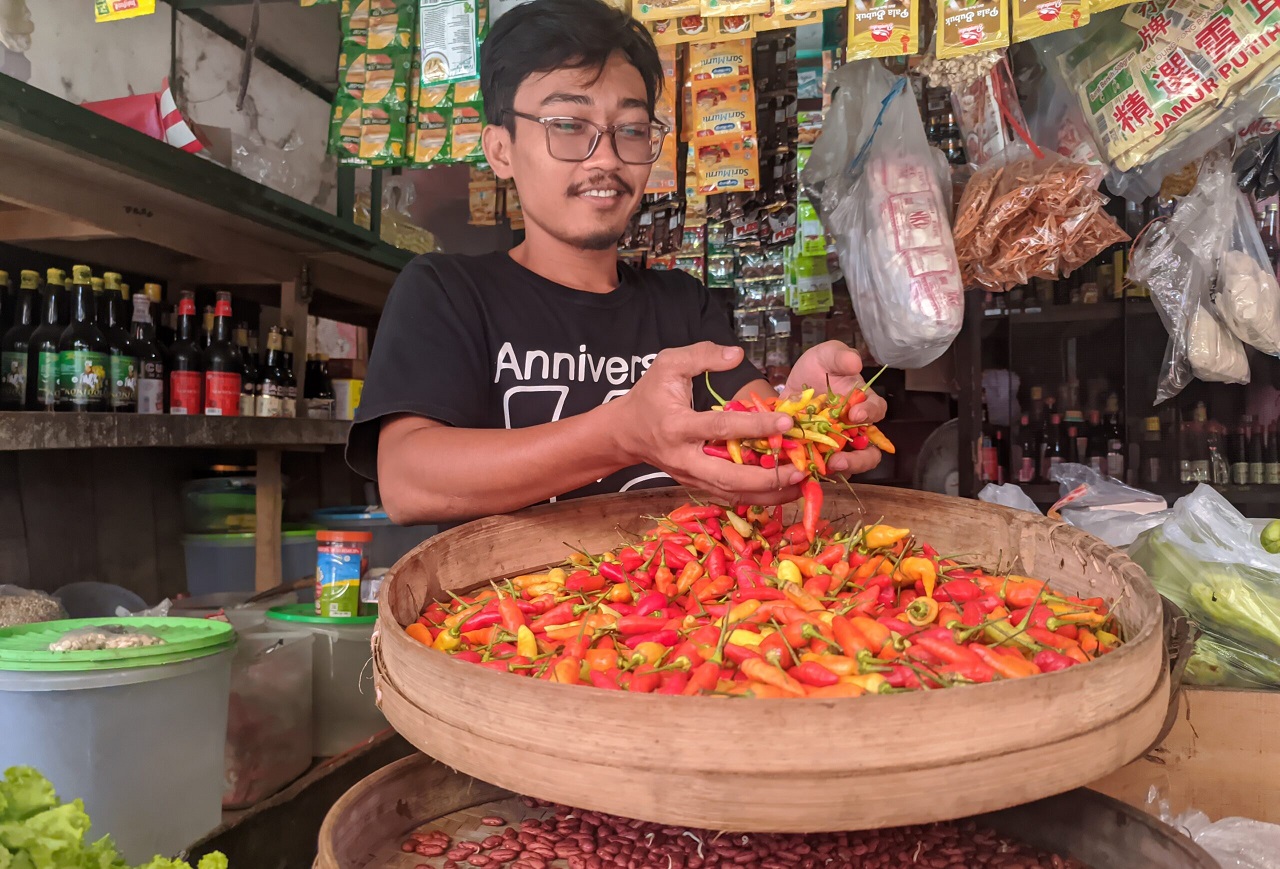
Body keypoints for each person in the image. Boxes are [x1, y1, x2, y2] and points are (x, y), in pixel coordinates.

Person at [346, 0, 886, 525]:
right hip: (507, 612)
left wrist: (805, 414)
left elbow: (760, 446)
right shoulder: (448, 292)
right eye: (567, 125)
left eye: (629, 130)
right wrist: (618, 434)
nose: (605, 158)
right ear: (500, 149)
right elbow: (408, 481)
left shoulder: (681, 303)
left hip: (671, 609)